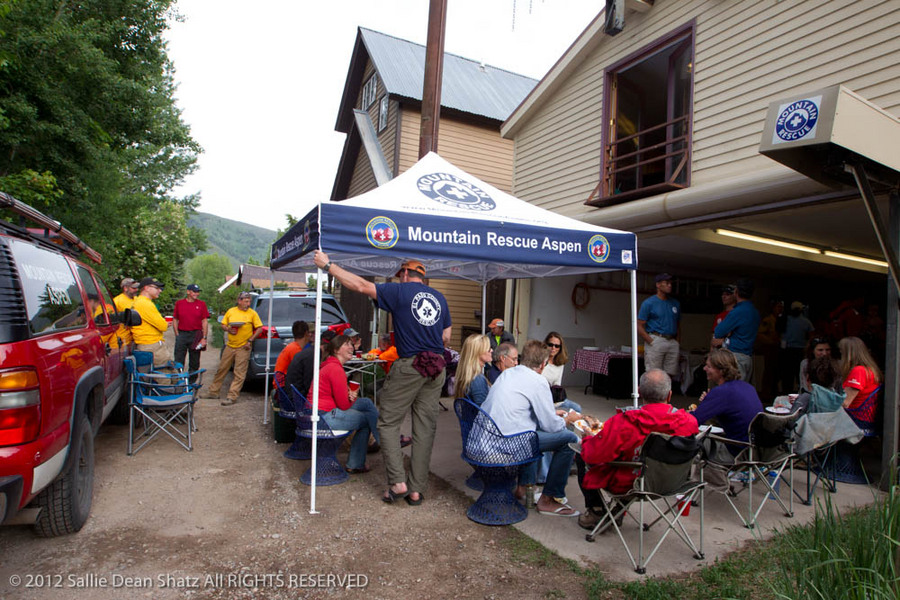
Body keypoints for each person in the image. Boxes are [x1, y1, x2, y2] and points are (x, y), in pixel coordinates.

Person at [313, 251, 451, 507]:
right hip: (436, 368)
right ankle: (416, 491)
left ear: (406, 274)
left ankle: (398, 482)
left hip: (411, 365)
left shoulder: (399, 292)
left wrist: (329, 265)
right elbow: (446, 337)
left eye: (401, 275)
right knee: (424, 429)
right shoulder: (440, 298)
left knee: (387, 423)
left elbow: (362, 285)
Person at [576, 369, 699, 530]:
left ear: (639, 393)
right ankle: (617, 511)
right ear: (669, 395)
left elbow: (594, 454)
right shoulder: (689, 422)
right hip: (674, 482)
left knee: (581, 455)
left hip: (632, 485)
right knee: (636, 464)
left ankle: (596, 511)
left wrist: (588, 438)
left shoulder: (624, 422)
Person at [481, 340, 581, 518]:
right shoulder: (538, 381)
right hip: (506, 444)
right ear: (543, 364)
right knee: (569, 440)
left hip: (487, 438)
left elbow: (522, 410)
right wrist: (567, 419)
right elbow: (550, 426)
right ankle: (549, 498)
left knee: (530, 432)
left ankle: (524, 487)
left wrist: (552, 413)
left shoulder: (508, 374)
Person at [307, 334, 381, 474]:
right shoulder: (335, 369)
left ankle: (380, 437)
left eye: (351, 344)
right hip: (323, 417)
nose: (351, 347)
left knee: (366, 402)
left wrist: (350, 395)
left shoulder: (331, 365)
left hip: (318, 412)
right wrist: (352, 397)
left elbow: (338, 398)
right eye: (346, 344)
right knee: (365, 420)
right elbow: (344, 406)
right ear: (336, 350)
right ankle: (357, 461)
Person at [689, 348, 763, 449]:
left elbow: (692, 421)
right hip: (755, 450)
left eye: (709, 366)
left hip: (736, 451)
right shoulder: (747, 387)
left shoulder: (721, 392)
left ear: (721, 370)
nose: (704, 368)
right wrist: (708, 402)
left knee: (687, 441)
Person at [206, 291, 263, 406]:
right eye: (246, 301)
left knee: (239, 373)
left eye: (249, 301)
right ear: (239, 301)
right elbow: (223, 324)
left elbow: (259, 328)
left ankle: (232, 396)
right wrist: (227, 329)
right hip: (230, 345)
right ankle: (213, 392)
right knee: (222, 369)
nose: (248, 304)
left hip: (244, 347)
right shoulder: (231, 311)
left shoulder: (252, 313)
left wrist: (250, 341)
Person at [712, 279, 760, 383]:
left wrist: (723, 340)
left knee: (733, 391)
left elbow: (718, 331)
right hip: (748, 358)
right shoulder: (755, 312)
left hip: (737, 358)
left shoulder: (738, 311)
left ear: (736, 292)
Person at [637, 273, 681, 379]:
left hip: (672, 340)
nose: (669, 285)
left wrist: (677, 342)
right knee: (653, 373)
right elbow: (639, 325)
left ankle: (666, 395)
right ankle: (651, 395)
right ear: (658, 285)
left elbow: (678, 324)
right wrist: (651, 341)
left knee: (670, 373)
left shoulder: (675, 303)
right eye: (666, 283)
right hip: (656, 338)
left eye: (670, 283)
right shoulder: (649, 303)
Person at [172, 283, 209, 381]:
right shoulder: (179, 303)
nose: (196, 294)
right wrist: (177, 334)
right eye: (194, 291)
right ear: (188, 292)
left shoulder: (201, 304)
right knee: (178, 359)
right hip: (182, 333)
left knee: (194, 361)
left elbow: (204, 321)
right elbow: (175, 319)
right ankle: (178, 382)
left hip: (196, 334)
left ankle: (191, 383)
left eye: (197, 292)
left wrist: (204, 337)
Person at [132, 277, 170, 367]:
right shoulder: (145, 304)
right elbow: (163, 326)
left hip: (146, 344)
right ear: (147, 288)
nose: (160, 291)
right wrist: (165, 323)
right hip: (151, 345)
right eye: (156, 288)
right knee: (164, 376)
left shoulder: (139, 301)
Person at [838, 336, 882, 410]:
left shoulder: (859, 371)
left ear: (847, 354)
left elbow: (845, 403)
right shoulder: (869, 369)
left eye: (841, 352)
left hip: (855, 416)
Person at [779, 301, 814, 393]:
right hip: (790, 349)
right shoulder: (787, 320)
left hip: (798, 350)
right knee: (789, 374)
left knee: (797, 373)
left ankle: (797, 391)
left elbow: (811, 336)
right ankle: (788, 392)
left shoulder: (805, 321)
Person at [756, 298, 785, 400]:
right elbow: (759, 334)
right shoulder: (768, 320)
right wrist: (770, 341)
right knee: (769, 370)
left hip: (780, 348)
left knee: (778, 371)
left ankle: (774, 391)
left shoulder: (782, 320)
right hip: (770, 348)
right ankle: (766, 392)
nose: (780, 309)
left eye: (782, 307)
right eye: (778, 307)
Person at [455, 334, 493, 405]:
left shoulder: (468, 375)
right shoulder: (477, 379)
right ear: (478, 352)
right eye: (488, 349)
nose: (491, 350)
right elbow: (482, 409)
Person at [273, 320, 310, 388]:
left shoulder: (292, 346)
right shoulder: (295, 349)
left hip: (283, 384)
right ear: (306, 333)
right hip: (283, 387)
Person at [113, 277, 140, 346]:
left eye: (137, 288)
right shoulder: (117, 301)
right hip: (122, 339)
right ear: (125, 288)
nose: (136, 290)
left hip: (136, 338)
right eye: (133, 288)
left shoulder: (137, 299)